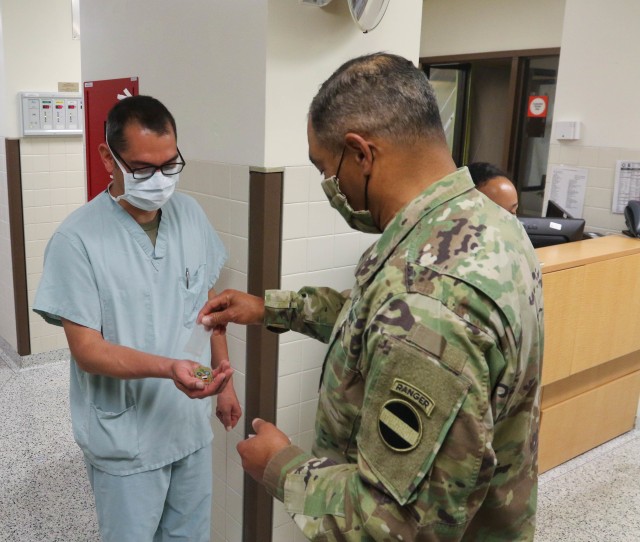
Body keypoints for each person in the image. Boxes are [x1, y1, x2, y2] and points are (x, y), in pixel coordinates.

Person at [199, 53, 544, 540]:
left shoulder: (432, 293)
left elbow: (398, 525)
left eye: (326, 168)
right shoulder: (490, 225)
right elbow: (378, 323)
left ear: (361, 153)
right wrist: (271, 308)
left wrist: (281, 465)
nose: (328, 186)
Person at [33, 95, 241, 542]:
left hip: (188, 425)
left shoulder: (190, 215)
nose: (160, 180)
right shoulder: (77, 239)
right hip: (126, 435)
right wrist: (169, 368)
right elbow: (87, 351)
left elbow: (208, 307)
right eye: (143, 169)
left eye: (170, 166)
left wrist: (225, 385)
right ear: (109, 156)